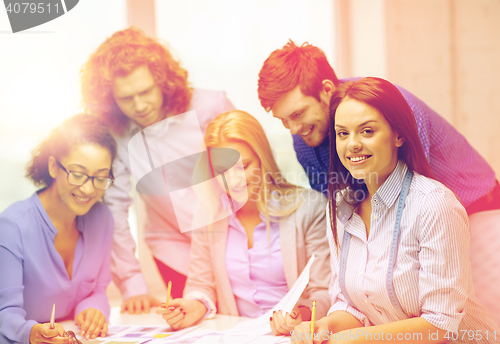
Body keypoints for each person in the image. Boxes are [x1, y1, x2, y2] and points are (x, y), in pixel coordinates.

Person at [291, 78, 500, 344]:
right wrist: (324, 326)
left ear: (398, 135)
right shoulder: (341, 207)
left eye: (367, 131)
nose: (352, 144)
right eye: (343, 133)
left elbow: (440, 325)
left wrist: (353, 339)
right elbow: (352, 304)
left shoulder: (434, 204)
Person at [80, 27, 235, 313]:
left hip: (229, 239)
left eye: (145, 92)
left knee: (239, 320)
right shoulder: (116, 135)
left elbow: (251, 173)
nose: (139, 106)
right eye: (126, 99)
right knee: (194, 324)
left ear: (162, 81)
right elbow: (114, 207)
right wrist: (132, 284)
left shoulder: (211, 107)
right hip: (171, 247)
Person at [257, 41, 500, 216]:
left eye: (298, 114)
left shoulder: (389, 106)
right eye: (283, 120)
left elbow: (411, 197)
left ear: (327, 89)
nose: (293, 129)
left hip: (477, 203)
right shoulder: (304, 136)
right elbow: (337, 207)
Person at [155, 110, 331, 335]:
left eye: (243, 166)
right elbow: (201, 284)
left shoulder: (309, 207)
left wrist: (301, 316)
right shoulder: (208, 213)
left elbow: (324, 290)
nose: (234, 181)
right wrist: (194, 306)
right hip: (235, 335)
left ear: (263, 159)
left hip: (291, 336)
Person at [0, 114, 117, 344]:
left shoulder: (103, 219)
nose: (87, 189)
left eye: (101, 178)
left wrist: (92, 310)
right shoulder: (12, 227)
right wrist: (31, 333)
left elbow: (98, 290)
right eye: (77, 174)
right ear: (54, 167)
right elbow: (4, 312)